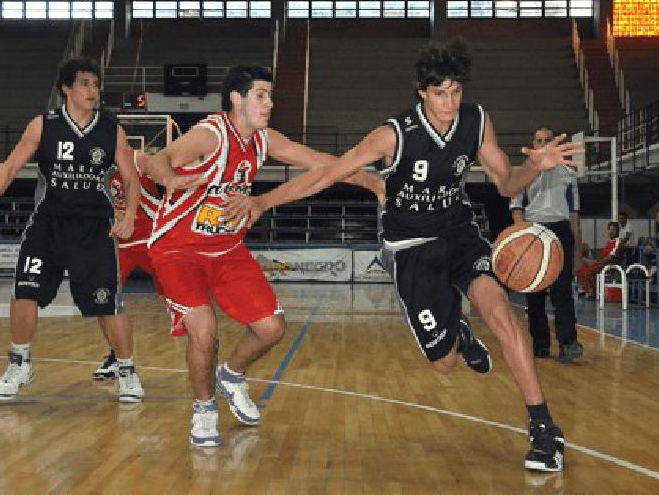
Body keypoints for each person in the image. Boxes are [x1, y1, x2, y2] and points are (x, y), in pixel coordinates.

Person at [223, 38, 585, 472]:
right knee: (445, 362)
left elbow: (506, 184)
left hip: (458, 233)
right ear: (421, 91)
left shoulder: (476, 122)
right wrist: (263, 203)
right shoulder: (392, 135)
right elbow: (326, 175)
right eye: (439, 93)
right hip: (410, 248)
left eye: (455, 91)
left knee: (502, 313)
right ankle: (458, 334)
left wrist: (535, 168)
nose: (449, 102)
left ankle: (543, 427)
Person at [133, 65, 384, 448]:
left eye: (270, 95)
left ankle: (231, 375)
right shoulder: (210, 134)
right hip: (177, 251)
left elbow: (320, 162)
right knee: (204, 329)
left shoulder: (264, 140)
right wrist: (170, 179)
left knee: (271, 328)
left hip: (227, 250)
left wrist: (369, 180)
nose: (269, 103)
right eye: (261, 95)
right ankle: (204, 409)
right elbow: (158, 159)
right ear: (237, 98)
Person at [0, 57, 145, 403]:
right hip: (48, 225)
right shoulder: (43, 125)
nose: (92, 90)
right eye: (84, 83)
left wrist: (128, 216)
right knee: (25, 291)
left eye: (96, 85)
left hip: (94, 228)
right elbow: (9, 167)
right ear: (66, 89)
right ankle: (20, 363)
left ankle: (126, 370)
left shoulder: (111, 128)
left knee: (107, 305)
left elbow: (131, 178)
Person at [93, 144, 168, 380]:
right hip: (118, 242)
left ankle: (205, 347)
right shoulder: (92, 167)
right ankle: (116, 356)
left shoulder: (138, 159)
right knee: (101, 299)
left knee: (179, 299)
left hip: (153, 237)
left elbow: (170, 180)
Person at [509, 127, 584, 363]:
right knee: (535, 292)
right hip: (534, 232)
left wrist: (578, 248)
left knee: (562, 291)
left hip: (561, 230)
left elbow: (574, 213)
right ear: (533, 143)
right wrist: (523, 238)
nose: (543, 144)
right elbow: (516, 208)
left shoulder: (568, 173)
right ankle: (540, 344)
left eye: (547, 140)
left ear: (553, 143)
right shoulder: (524, 173)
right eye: (539, 140)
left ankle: (568, 343)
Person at [575, 221, 623, 298]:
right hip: (600, 263)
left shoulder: (618, 242)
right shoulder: (609, 242)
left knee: (589, 270)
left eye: (613, 230)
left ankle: (592, 291)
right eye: (609, 229)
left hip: (609, 265)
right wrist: (595, 261)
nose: (611, 232)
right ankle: (585, 289)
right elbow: (601, 256)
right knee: (580, 270)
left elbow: (611, 257)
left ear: (617, 231)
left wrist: (597, 262)